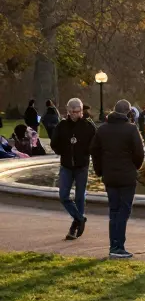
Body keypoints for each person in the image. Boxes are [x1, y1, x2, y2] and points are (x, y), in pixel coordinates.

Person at [89, 99, 145, 259]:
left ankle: (114, 245)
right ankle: (118, 246)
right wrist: (135, 167)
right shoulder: (131, 129)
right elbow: (139, 153)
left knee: (114, 210)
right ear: (128, 112)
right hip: (127, 176)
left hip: (110, 176)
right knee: (124, 210)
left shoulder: (102, 130)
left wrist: (100, 170)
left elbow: (94, 151)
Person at [51, 98, 96, 241]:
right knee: (64, 195)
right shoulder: (62, 125)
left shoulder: (88, 126)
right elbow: (54, 143)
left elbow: (95, 144)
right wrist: (63, 152)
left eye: (79, 111)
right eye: (73, 112)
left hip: (82, 165)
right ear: (68, 111)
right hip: (66, 166)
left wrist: (86, 153)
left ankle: (75, 226)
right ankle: (80, 218)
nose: (76, 114)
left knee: (79, 196)